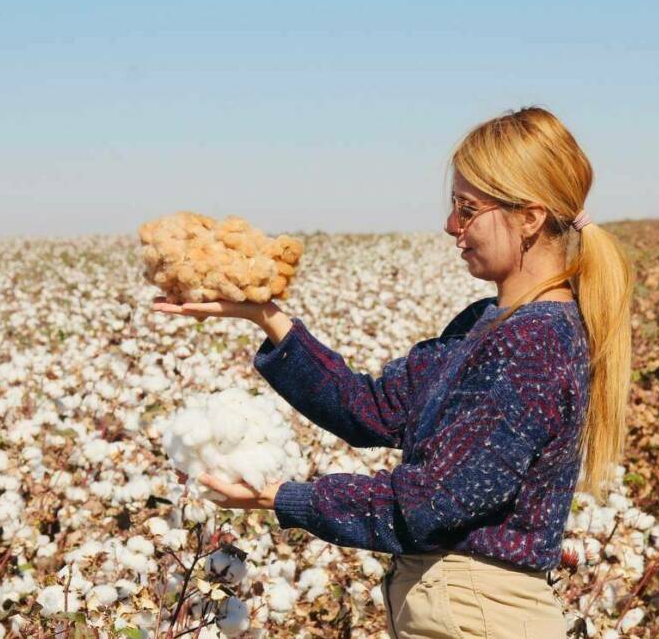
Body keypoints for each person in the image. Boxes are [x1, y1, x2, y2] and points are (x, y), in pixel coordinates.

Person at [153, 105, 634, 638]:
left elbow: (432, 502)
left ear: (530, 217)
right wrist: (266, 316)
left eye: (467, 208)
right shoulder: (489, 324)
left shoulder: (532, 342)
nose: (451, 226)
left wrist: (284, 497)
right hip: (461, 606)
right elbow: (373, 411)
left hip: (478, 613)